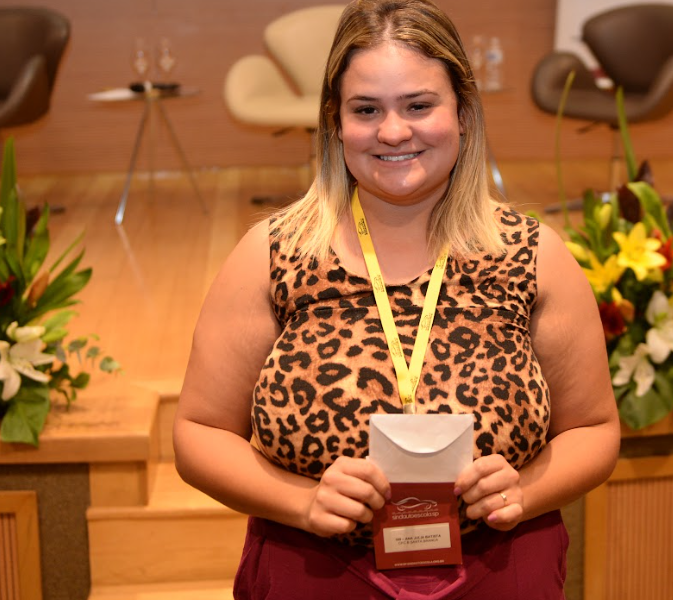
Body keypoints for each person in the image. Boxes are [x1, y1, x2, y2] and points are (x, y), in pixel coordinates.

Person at [173, 0, 620, 597]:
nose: (392, 131)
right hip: (318, 568)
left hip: (499, 564)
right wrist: (302, 502)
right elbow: (198, 432)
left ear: (462, 111)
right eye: (366, 109)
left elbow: (594, 429)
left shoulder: (533, 255)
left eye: (418, 105)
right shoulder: (275, 254)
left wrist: (525, 492)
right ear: (335, 120)